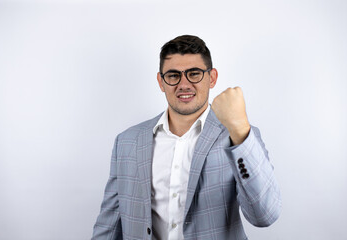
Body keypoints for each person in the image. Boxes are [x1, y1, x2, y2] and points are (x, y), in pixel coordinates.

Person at [91, 35, 282, 240]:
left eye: (194, 74)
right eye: (173, 75)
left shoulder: (239, 137)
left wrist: (240, 129)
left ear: (212, 77)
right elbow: (108, 225)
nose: (184, 84)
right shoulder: (127, 141)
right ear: (161, 81)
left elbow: (265, 216)